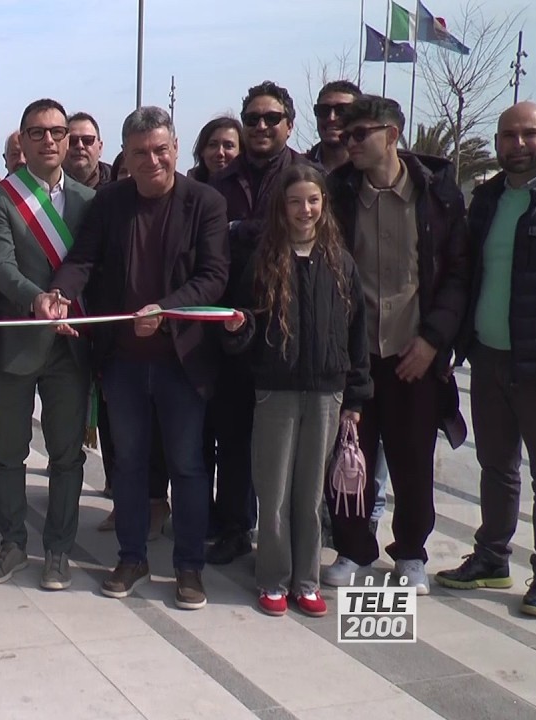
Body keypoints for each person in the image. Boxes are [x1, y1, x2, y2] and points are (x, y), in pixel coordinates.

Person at [34, 106, 229, 609]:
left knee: (187, 466)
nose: (153, 160)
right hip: (122, 361)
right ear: (126, 155)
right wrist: (59, 292)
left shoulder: (204, 202)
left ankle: (188, 568)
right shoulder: (109, 202)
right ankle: (132, 556)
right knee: (128, 467)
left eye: (161, 149)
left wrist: (166, 309)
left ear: (176, 147)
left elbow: (213, 276)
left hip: (182, 362)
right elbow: (83, 260)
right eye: (141, 153)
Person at [322, 95, 469, 594]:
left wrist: (432, 341)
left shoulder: (438, 196)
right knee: (349, 461)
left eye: (360, 134)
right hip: (356, 358)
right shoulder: (338, 194)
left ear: (393, 134)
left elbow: (456, 276)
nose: (349, 143)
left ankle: (410, 552)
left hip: (414, 355)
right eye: (345, 135)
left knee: (412, 461)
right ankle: (351, 549)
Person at [222, 165, 371, 617]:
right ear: (281, 208)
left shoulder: (340, 262)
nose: (304, 210)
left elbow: (357, 331)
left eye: (313, 200)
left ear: (323, 205)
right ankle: (273, 578)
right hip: (276, 393)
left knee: (310, 495)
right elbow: (246, 324)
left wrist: (356, 397)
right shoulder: (265, 259)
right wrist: (237, 330)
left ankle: (306, 581)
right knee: (274, 492)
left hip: (327, 395)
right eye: (295, 201)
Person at [439, 101, 536, 618]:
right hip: (488, 357)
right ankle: (492, 557)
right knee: (496, 465)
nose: (517, 144)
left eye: (528, 134)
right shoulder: (488, 199)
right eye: (508, 135)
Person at [0, 99, 93, 589]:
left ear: (68, 139)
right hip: (18, 343)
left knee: (68, 455)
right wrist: (38, 300)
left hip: (70, 349)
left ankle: (59, 549)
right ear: (22, 141)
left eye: (57, 132)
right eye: (37, 132)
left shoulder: (91, 201)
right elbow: (0, 267)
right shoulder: (1, 198)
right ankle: (11, 543)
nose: (49, 140)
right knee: (8, 450)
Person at [206, 82, 319, 567]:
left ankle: (287, 538)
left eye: (271, 119)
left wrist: (241, 231)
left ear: (288, 125)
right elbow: (210, 247)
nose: (260, 127)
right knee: (232, 435)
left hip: (289, 328)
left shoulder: (306, 177)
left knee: (290, 446)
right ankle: (234, 527)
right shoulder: (220, 181)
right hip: (232, 327)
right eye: (252, 119)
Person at [306, 80, 362, 172]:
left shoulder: (372, 171)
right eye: (324, 110)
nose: (331, 118)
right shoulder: (297, 168)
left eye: (342, 110)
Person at [64, 112, 113, 189]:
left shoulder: (116, 181)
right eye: (72, 140)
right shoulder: (47, 184)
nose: (80, 146)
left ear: (100, 148)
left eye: (87, 140)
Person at [189, 116, 243, 183]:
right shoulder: (188, 190)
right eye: (212, 145)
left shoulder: (252, 189)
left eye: (228, 146)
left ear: (241, 150)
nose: (220, 153)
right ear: (202, 151)